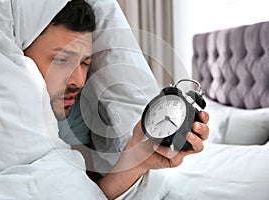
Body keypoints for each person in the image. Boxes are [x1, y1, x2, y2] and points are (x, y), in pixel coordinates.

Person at [24, 0, 209, 199]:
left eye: (85, 62)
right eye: (61, 60)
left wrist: (138, 156)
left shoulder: (74, 109)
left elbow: (88, 193)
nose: (78, 81)